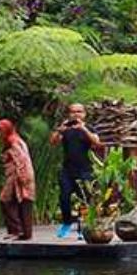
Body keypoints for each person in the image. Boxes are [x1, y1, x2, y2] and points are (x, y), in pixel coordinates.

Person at [49, 102, 103, 238]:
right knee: (64, 197)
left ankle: (84, 227)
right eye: (73, 112)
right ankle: (66, 223)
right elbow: (53, 142)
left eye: (79, 111)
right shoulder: (66, 128)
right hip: (67, 170)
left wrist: (83, 129)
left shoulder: (89, 128)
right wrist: (59, 130)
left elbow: (97, 143)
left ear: (84, 114)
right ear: (69, 114)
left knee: (85, 198)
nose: (76, 114)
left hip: (85, 169)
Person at [0, 119, 35, 241]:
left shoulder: (13, 142)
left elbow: (21, 160)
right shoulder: (13, 140)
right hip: (18, 174)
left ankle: (16, 230)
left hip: (18, 175)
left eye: (0, 131)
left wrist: (22, 178)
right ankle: (24, 232)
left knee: (6, 200)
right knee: (20, 201)